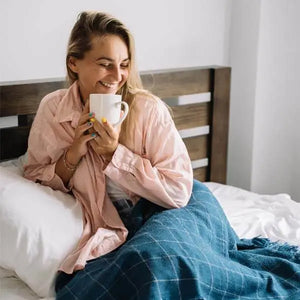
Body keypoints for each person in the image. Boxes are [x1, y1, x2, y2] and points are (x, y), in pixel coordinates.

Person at [24, 10, 193, 288]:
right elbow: (34, 175)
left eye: (124, 64)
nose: (118, 76)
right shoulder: (54, 110)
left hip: (170, 209)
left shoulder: (148, 110)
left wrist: (115, 154)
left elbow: (179, 191)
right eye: (105, 64)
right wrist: (74, 153)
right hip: (118, 224)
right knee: (140, 267)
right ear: (74, 63)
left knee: (161, 261)